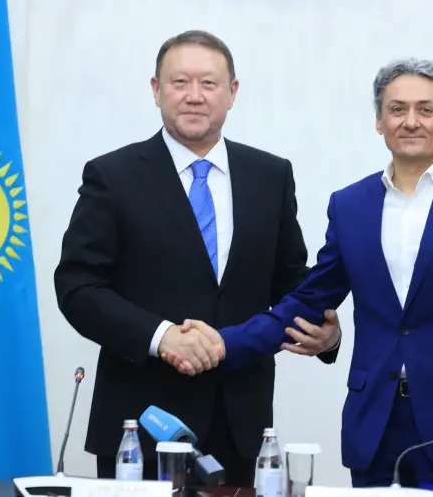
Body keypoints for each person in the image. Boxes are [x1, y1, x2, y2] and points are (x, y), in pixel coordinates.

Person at [165, 58, 433, 491]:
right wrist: (223, 343)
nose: (410, 121)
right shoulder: (351, 205)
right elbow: (307, 301)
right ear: (379, 121)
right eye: (397, 109)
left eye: (426, 110)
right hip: (375, 428)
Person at [53, 29, 340, 484]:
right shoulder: (112, 175)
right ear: (156, 90)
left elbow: (289, 281)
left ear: (232, 92)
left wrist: (326, 334)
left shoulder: (270, 175)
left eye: (208, 83)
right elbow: (78, 287)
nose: (193, 96)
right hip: (141, 427)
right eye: (179, 82)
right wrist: (162, 336)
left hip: (240, 424)